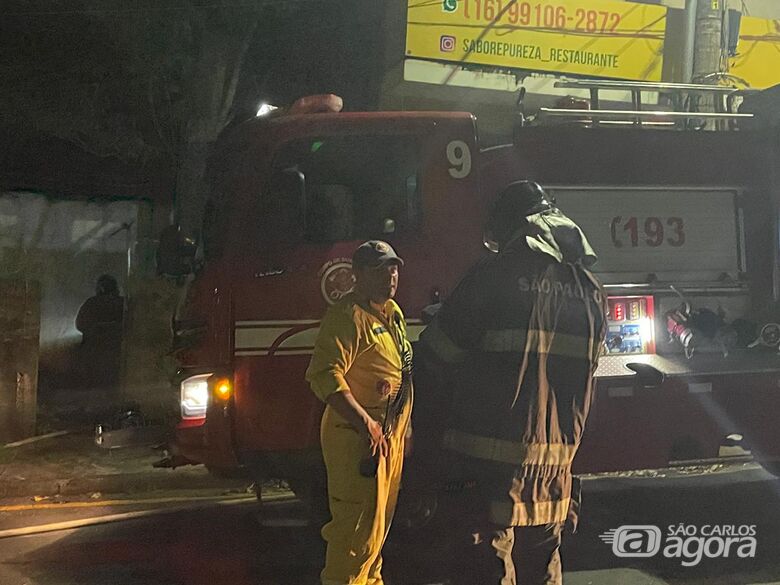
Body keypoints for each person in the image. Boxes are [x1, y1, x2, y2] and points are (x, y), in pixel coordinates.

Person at [415, 181, 607, 585]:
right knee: (543, 567)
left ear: (509, 229)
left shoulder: (493, 275)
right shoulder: (590, 290)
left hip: (483, 466)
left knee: (486, 565)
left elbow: (435, 357)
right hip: (555, 467)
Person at [306, 240, 413, 585]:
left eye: (394, 267)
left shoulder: (392, 314)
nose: (391, 274)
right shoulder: (347, 316)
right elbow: (324, 374)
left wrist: (403, 433)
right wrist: (365, 424)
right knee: (354, 538)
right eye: (380, 268)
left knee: (375, 535)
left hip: (387, 438)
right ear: (358, 275)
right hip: (358, 441)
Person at [75, 274, 125, 390]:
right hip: (117, 354)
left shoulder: (92, 303)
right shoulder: (123, 303)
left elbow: (80, 325)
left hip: (95, 354)